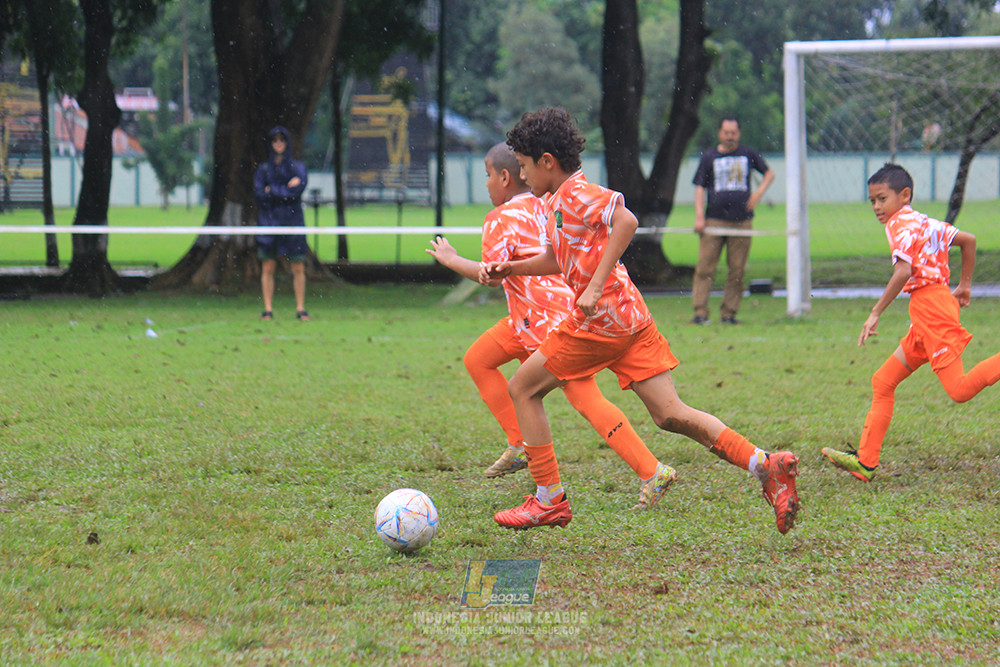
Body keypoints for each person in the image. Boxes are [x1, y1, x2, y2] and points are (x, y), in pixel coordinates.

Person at [482, 107, 800, 534]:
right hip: (631, 319)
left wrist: (593, 288)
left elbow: (626, 220)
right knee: (670, 414)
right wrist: (512, 269)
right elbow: (560, 258)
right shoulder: (555, 202)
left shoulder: (576, 194)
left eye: (523, 167)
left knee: (522, 387)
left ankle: (548, 500)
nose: (520, 177)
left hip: (601, 323)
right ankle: (766, 465)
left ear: (546, 162)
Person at [426, 143, 677, 509]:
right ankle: (518, 443)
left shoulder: (498, 218)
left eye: (487, 175)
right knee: (479, 358)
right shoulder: (545, 201)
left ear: (504, 177)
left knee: (586, 398)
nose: (486, 183)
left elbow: (490, 277)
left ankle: (652, 470)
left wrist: (451, 259)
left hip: (548, 323)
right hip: (526, 318)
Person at [822, 163, 1000, 481]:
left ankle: (865, 460)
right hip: (930, 307)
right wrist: (965, 285)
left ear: (904, 195)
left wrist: (875, 311)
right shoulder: (924, 221)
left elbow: (902, 271)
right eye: (872, 200)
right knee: (883, 381)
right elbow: (969, 241)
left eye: (882, 198)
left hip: (932, 309)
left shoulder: (898, 223)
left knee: (958, 390)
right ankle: (866, 462)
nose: (877, 207)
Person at [691, 115, 774, 325]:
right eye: (726, 133)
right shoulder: (709, 157)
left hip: (742, 221)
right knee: (705, 268)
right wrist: (699, 216)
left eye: (733, 133)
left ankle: (729, 314)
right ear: (720, 133)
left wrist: (758, 194)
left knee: (737, 270)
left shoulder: (748, 154)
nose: (730, 137)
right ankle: (700, 312)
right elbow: (700, 187)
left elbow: (769, 173)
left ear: (738, 133)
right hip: (714, 221)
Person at [255, 125, 310, 321]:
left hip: (293, 221)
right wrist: (284, 189)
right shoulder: (263, 169)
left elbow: (297, 191)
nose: (279, 144)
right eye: (275, 140)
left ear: (287, 143)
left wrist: (274, 191)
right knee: (268, 266)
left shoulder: (298, 167)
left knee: (298, 266)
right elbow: (261, 195)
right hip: (269, 222)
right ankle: (268, 309)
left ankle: (300, 308)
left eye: (282, 140)